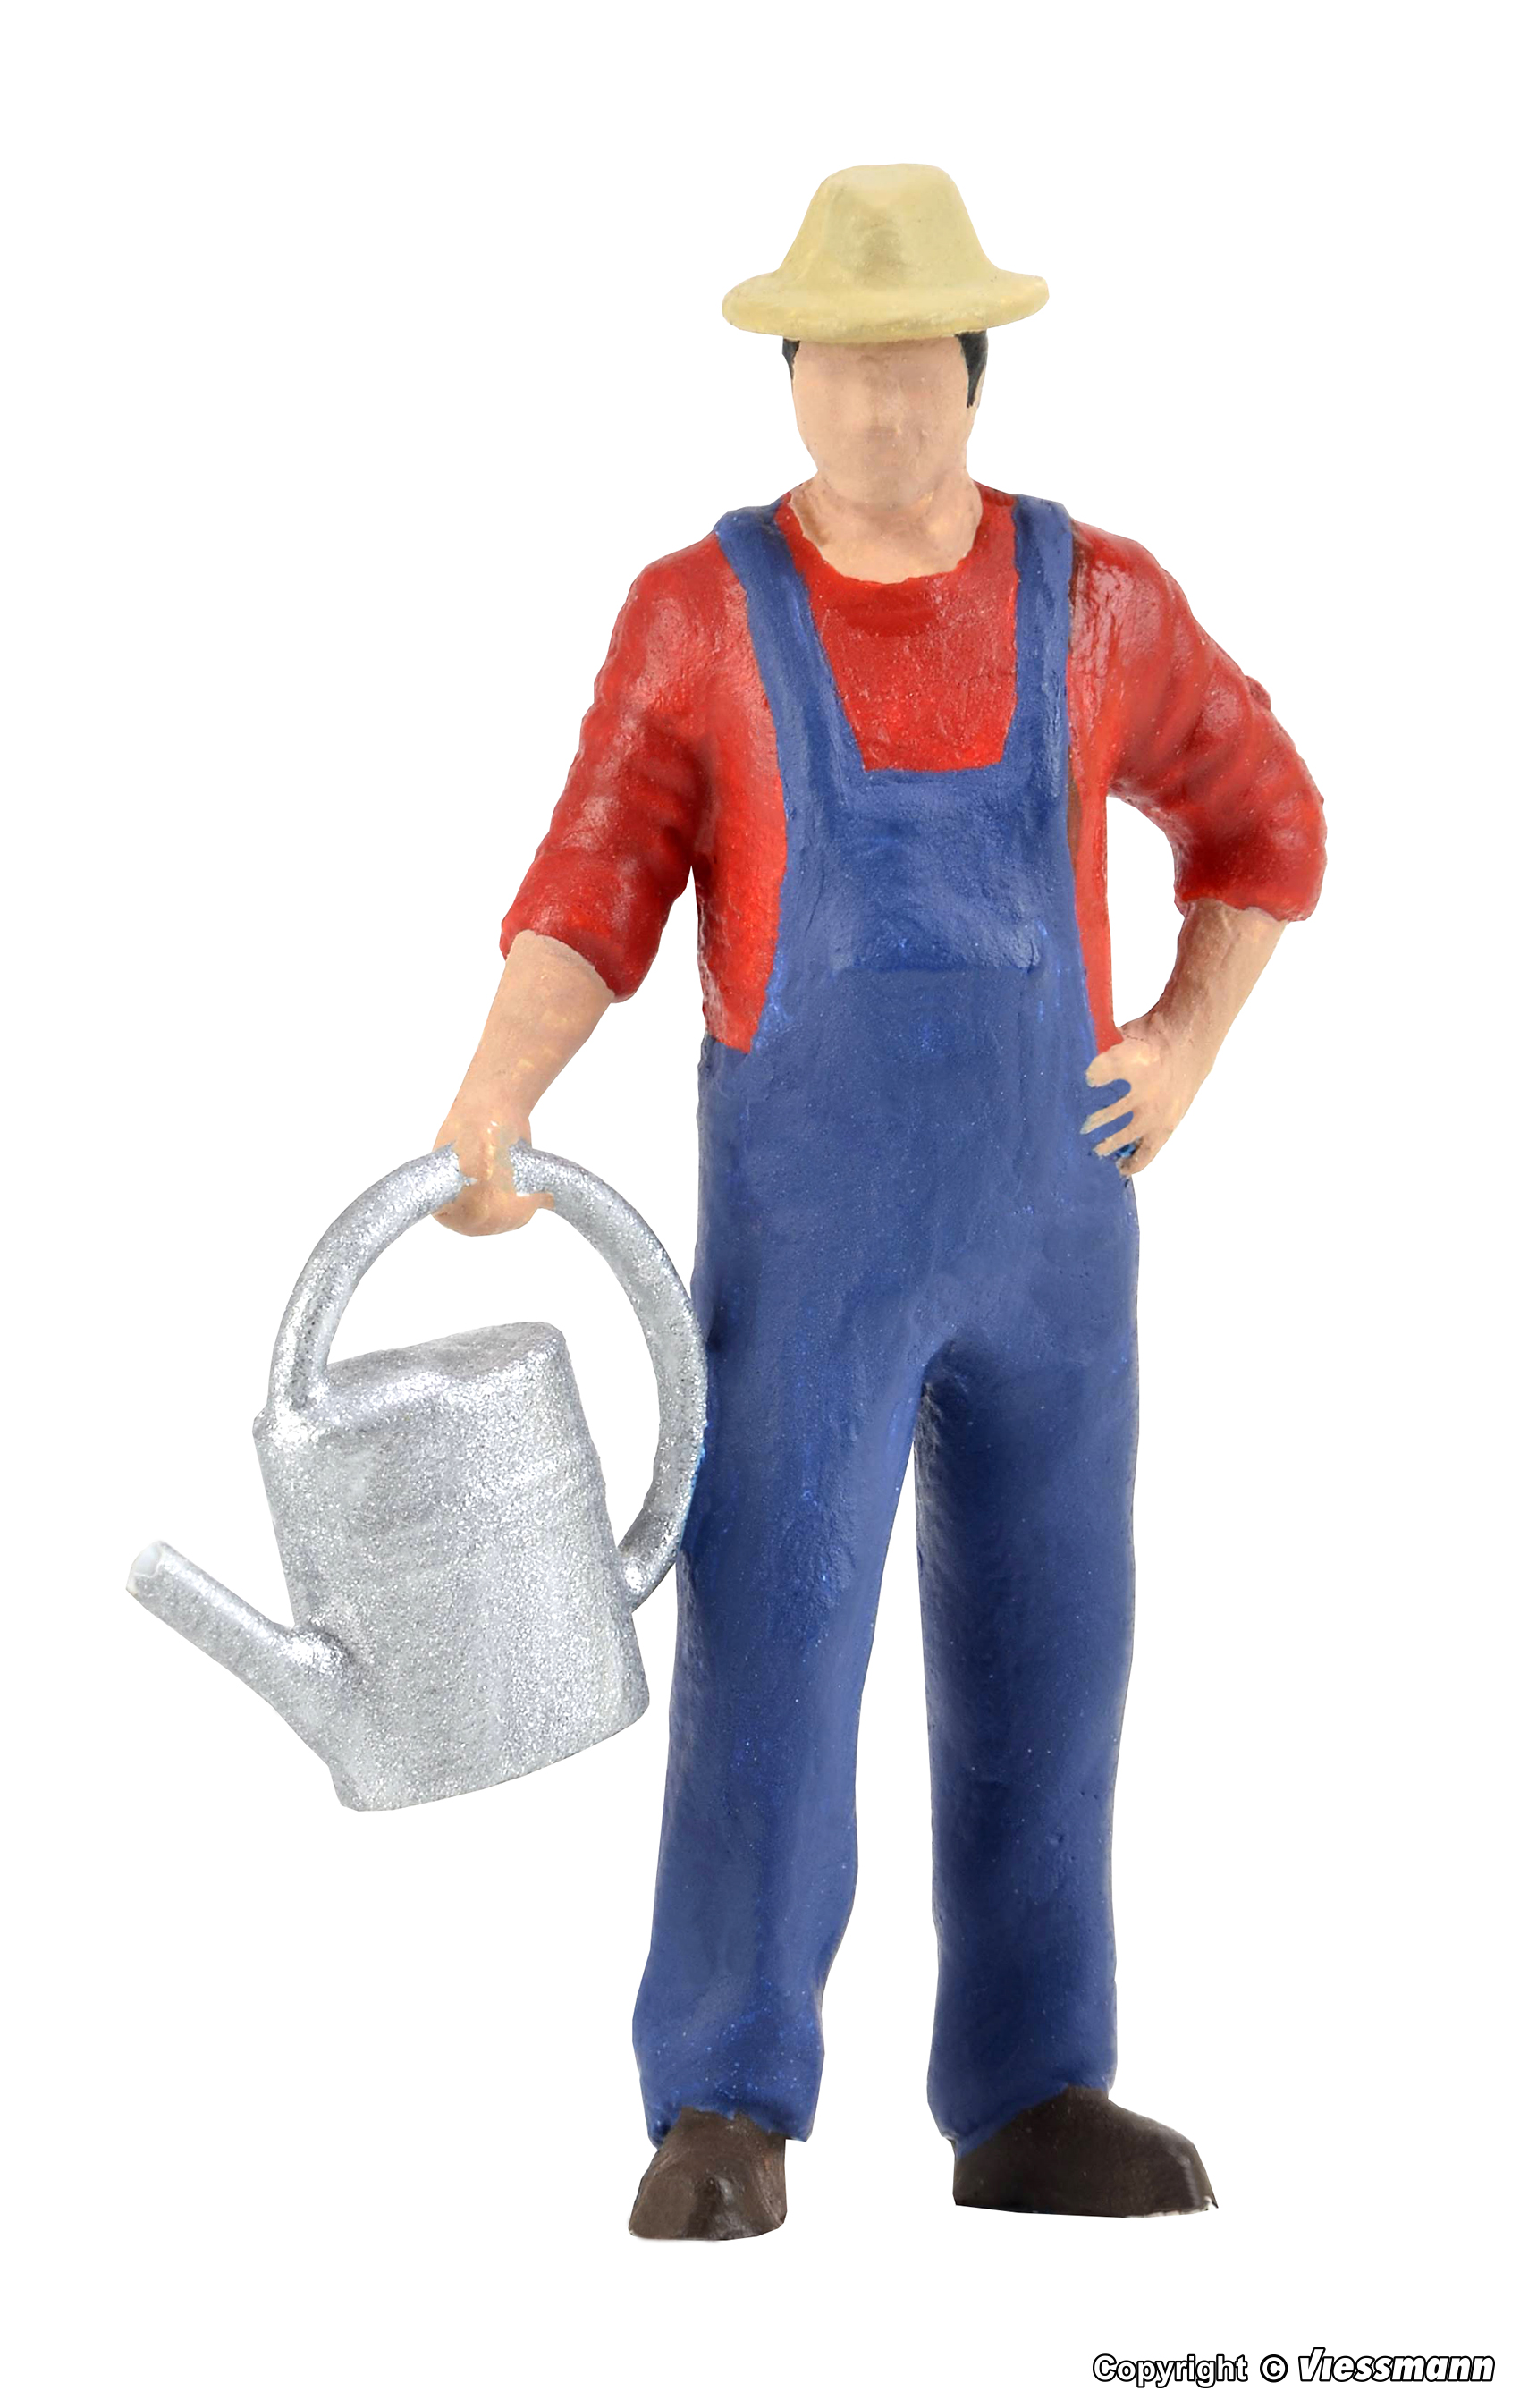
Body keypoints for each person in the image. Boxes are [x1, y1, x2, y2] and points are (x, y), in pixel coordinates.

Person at [434, 164, 1325, 2240]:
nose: (875, 409)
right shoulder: (698, 615)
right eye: (836, 367)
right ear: (788, 378)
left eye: (910, 366)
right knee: (776, 1633)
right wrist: (496, 1089)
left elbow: (1265, 819)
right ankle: (724, 2095)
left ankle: (1033, 2088)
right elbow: (597, 878)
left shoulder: (1098, 603)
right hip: (806, 1252)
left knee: (1051, 1647)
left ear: (975, 373)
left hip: (1056, 1240)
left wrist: (1183, 1040)